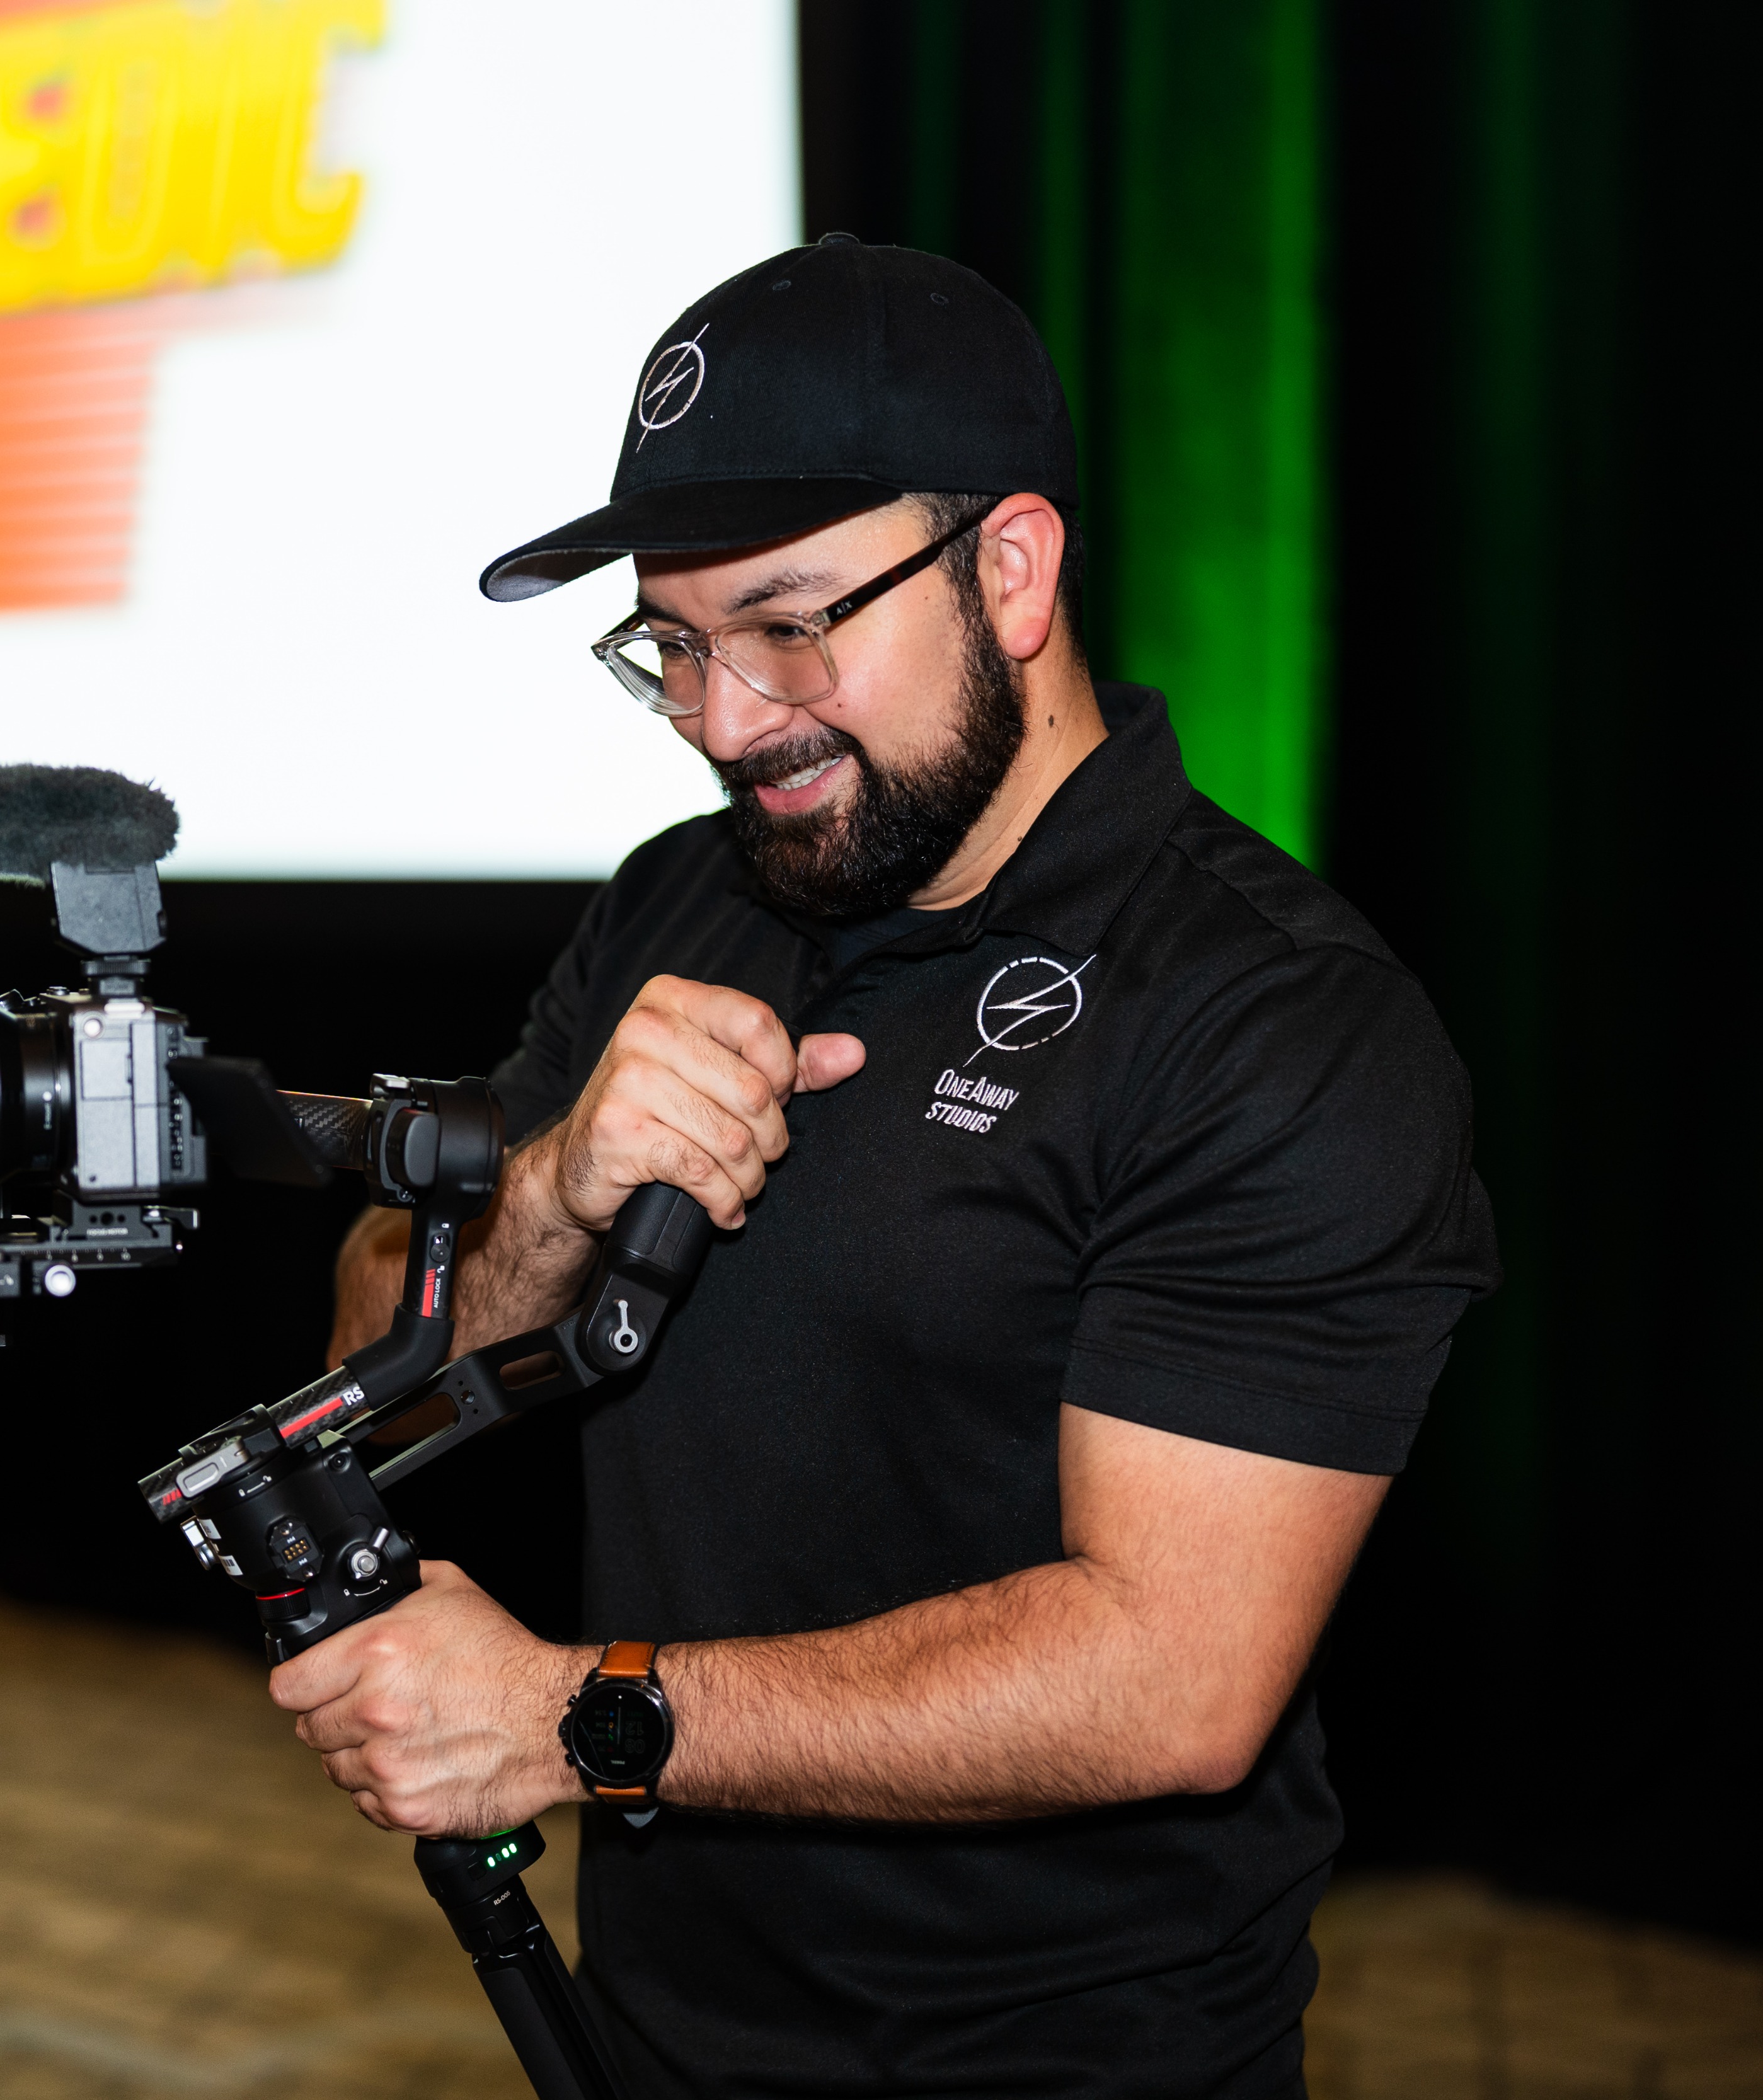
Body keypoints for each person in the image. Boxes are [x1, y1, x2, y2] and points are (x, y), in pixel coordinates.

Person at [268, 236, 1500, 2099]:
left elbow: (1173, 1677)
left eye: (788, 625)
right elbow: (378, 1350)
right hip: (648, 2042)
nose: (723, 717)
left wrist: (574, 1720)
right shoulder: (682, 902)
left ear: (1012, 570)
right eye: (672, 646)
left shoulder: (1271, 1021)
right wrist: (555, 1190)